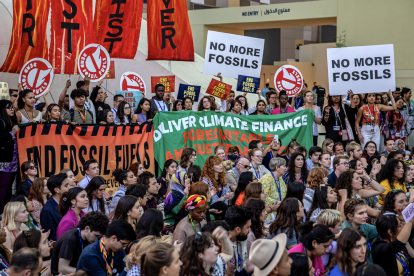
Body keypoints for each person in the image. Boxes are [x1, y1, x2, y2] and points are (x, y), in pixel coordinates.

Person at [341, 198, 377, 264]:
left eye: (366, 212)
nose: (366, 216)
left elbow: (381, 230)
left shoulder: (363, 225)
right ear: (350, 216)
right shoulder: (344, 231)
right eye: (361, 213)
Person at [0, 100, 19, 212]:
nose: (12, 109)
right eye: (9, 107)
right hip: (4, 162)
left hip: (13, 161)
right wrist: (12, 133)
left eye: (12, 107)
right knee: (3, 189)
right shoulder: (1, 122)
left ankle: (7, 212)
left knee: (8, 191)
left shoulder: (12, 121)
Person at [40, 173, 71, 241]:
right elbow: (51, 237)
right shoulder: (47, 210)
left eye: (69, 184)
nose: (70, 188)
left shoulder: (67, 202)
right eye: (66, 186)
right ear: (57, 190)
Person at [225, 205, 253, 274]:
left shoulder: (241, 237)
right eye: (248, 227)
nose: (250, 229)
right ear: (238, 229)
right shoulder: (223, 247)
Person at [260, 158, 287, 223]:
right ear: (277, 168)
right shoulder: (266, 178)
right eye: (284, 166)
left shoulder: (281, 179)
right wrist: (278, 202)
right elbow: (262, 197)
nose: (286, 168)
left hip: (279, 213)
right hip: (268, 214)